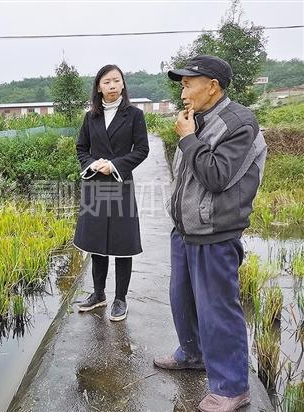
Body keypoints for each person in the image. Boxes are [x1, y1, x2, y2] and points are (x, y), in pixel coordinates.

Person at [154, 55, 267, 412]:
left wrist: (188, 139)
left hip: (216, 231)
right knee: (182, 299)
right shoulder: (197, 119)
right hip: (186, 228)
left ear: (212, 86)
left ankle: (232, 387)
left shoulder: (239, 123)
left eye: (188, 83)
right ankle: (192, 353)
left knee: (218, 309)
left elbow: (217, 176)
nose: (183, 91)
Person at [73, 64, 149, 321]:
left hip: (120, 183)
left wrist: (114, 165)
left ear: (123, 84)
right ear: (99, 87)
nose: (113, 85)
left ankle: (120, 298)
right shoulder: (90, 116)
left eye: (117, 80)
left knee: (122, 243)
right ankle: (98, 294)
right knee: (97, 243)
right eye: (107, 82)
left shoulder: (135, 115)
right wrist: (92, 164)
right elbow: (81, 147)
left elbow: (141, 150)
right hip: (95, 184)